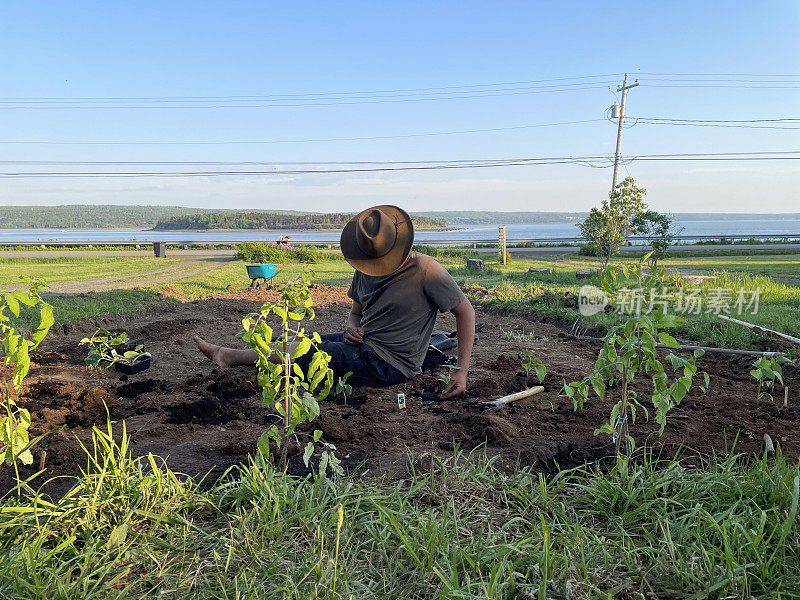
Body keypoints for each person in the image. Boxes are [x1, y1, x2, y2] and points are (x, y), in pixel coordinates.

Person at [195, 205, 475, 398]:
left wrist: (461, 372)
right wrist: (351, 327)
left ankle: (227, 356)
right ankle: (244, 354)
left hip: (390, 364)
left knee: (301, 353)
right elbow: (356, 313)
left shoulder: (427, 271)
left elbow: (465, 313)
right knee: (302, 339)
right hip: (363, 345)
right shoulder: (366, 266)